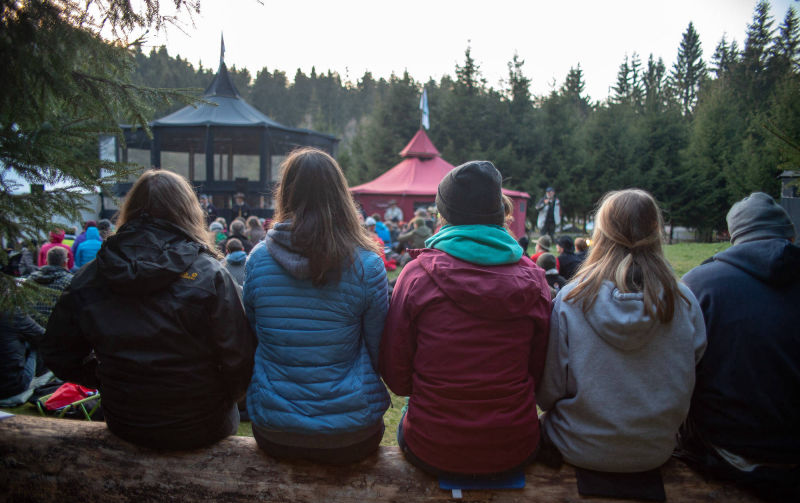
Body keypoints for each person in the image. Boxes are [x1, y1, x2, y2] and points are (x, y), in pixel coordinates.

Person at [41, 169, 255, 450]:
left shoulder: (90, 276)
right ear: (188, 211)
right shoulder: (210, 274)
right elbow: (241, 360)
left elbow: (58, 353)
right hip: (198, 423)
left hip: (130, 420)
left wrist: (107, 378)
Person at [380, 161, 551, 479]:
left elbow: (397, 375)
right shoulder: (535, 278)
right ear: (499, 212)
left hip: (432, 443)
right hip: (513, 444)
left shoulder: (417, 275)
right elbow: (540, 372)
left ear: (443, 214)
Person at [537, 189, 706, 474]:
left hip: (576, 445)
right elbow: (693, 369)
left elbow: (548, 391)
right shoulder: (684, 301)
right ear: (655, 231)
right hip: (655, 449)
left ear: (602, 234)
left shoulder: (571, 299)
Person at [244, 148, 390, 464]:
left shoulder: (257, 260)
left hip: (275, 429)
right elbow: (379, 348)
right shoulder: (367, 265)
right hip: (350, 432)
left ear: (286, 193)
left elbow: (257, 335)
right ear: (340, 195)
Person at [677, 192, 799, 500]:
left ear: (735, 237)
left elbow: (674, 374)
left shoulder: (698, 285)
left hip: (726, 450)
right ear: (791, 235)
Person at [27, 246, 73, 327]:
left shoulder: (31, 278)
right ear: (65, 262)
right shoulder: (69, 281)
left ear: (46, 261)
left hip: (30, 325)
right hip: (54, 327)